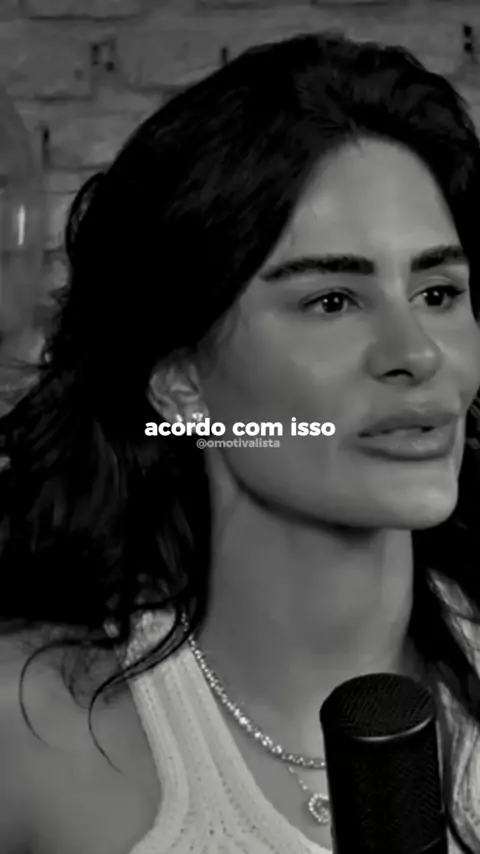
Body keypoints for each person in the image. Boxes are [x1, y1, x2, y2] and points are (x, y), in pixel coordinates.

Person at [0, 29, 480, 854]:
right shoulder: (32, 732)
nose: (417, 354)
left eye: (438, 292)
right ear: (182, 384)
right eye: (333, 301)